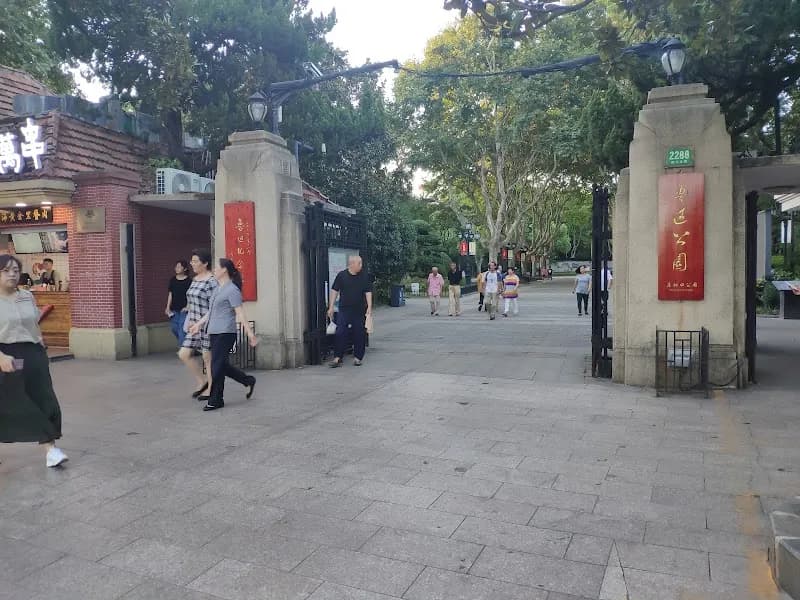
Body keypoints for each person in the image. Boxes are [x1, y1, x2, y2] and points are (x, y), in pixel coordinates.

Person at [0, 255, 68, 467]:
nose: (12, 274)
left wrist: (41, 346)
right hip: (5, 355)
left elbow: (34, 325)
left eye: (15, 270)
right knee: (9, 404)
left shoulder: (27, 296)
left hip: (33, 354)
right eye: (6, 270)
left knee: (44, 399)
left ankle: (51, 450)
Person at [189, 259, 257, 412]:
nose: (214, 269)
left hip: (226, 332)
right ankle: (248, 380)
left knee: (216, 366)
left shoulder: (232, 290)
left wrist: (250, 333)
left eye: (216, 267)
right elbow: (210, 312)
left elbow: (240, 313)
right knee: (222, 365)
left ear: (224, 270)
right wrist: (198, 325)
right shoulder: (218, 289)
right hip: (214, 331)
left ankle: (216, 399)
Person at [179, 249, 217, 400]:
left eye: (195, 261)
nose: (192, 264)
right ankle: (203, 381)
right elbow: (191, 302)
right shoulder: (195, 279)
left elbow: (214, 306)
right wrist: (190, 320)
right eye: (192, 261)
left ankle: (211, 389)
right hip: (194, 325)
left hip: (207, 324)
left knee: (208, 358)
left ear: (205, 263)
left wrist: (201, 322)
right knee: (184, 354)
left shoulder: (212, 281)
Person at [327, 255, 373, 367]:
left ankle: (358, 357)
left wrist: (369, 307)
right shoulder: (342, 276)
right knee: (340, 332)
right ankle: (338, 357)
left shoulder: (364, 276)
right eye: (359, 263)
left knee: (359, 333)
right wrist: (331, 306)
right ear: (352, 264)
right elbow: (334, 291)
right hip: (344, 309)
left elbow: (368, 292)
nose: (361, 266)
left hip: (359, 310)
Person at [165, 260, 192, 347]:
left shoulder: (189, 281)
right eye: (176, 267)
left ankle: (183, 350)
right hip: (174, 309)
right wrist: (168, 307)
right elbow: (170, 294)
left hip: (184, 309)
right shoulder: (173, 280)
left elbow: (190, 295)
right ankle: (188, 346)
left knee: (181, 328)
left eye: (179, 267)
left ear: (185, 269)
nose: (177, 268)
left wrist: (188, 306)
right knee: (174, 328)